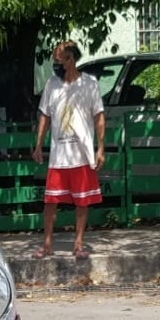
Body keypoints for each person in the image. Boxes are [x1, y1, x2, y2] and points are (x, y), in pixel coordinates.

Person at [32, 41, 105, 259]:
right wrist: (38, 145)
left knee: (82, 200)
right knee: (51, 201)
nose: (56, 65)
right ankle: (46, 244)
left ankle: (79, 243)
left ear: (70, 59)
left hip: (81, 153)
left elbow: (99, 115)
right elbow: (44, 115)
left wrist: (100, 147)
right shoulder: (52, 85)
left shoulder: (89, 84)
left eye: (58, 60)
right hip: (58, 154)